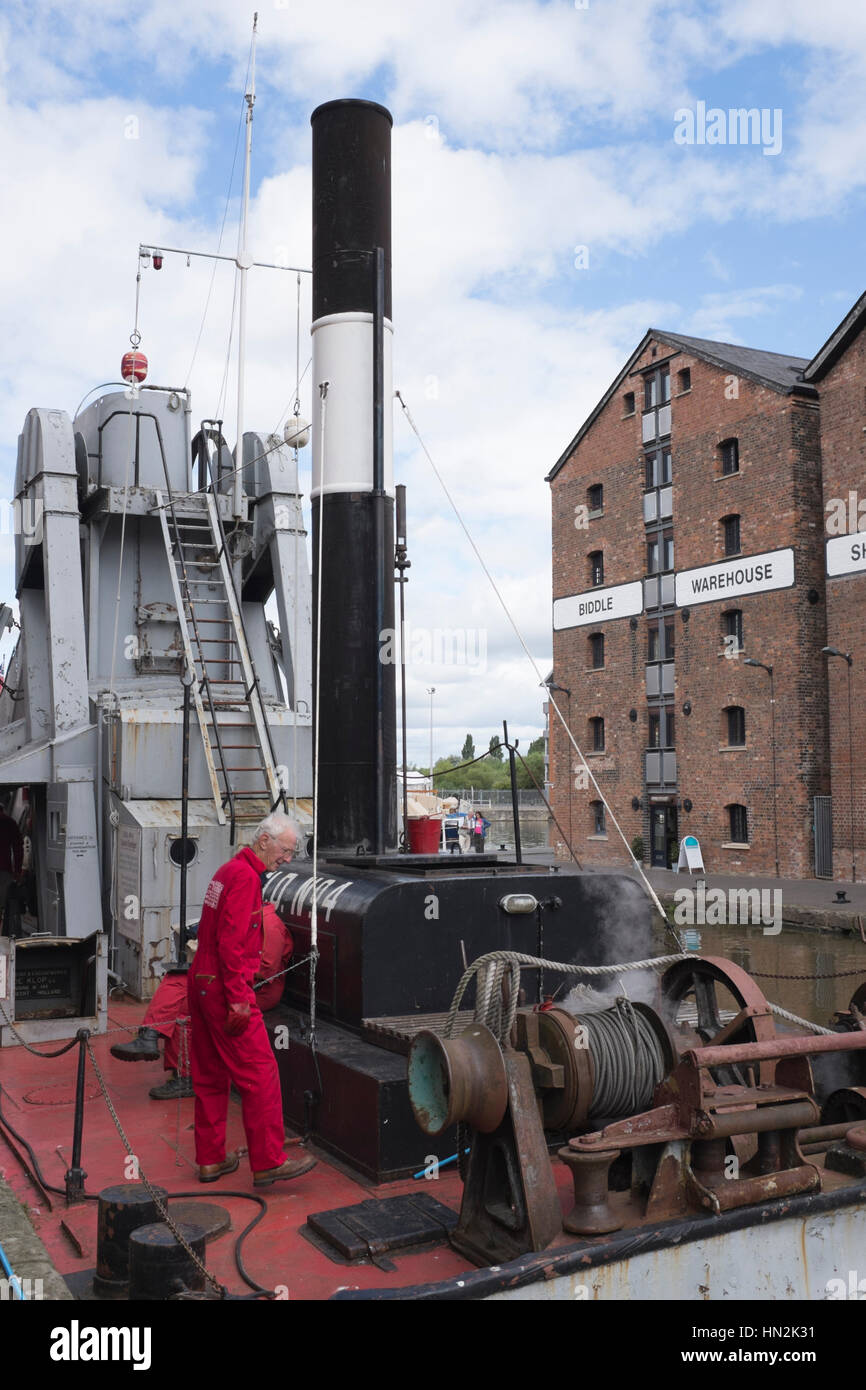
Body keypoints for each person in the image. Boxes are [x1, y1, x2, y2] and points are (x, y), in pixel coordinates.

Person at [189, 813, 316, 1186]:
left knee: (210, 1074)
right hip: (226, 987)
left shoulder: (226, 871)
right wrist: (240, 999)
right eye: (286, 850)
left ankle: (210, 1159)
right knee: (260, 1072)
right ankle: (268, 1160)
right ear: (264, 841)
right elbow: (232, 943)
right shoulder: (246, 878)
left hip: (201, 980)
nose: (288, 859)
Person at [111, 907, 294, 1101]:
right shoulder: (247, 916)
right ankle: (149, 1035)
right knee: (177, 978)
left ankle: (184, 1073)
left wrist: (224, 966)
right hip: (234, 980)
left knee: (185, 1007)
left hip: (258, 990)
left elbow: (267, 970)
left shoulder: (270, 924)